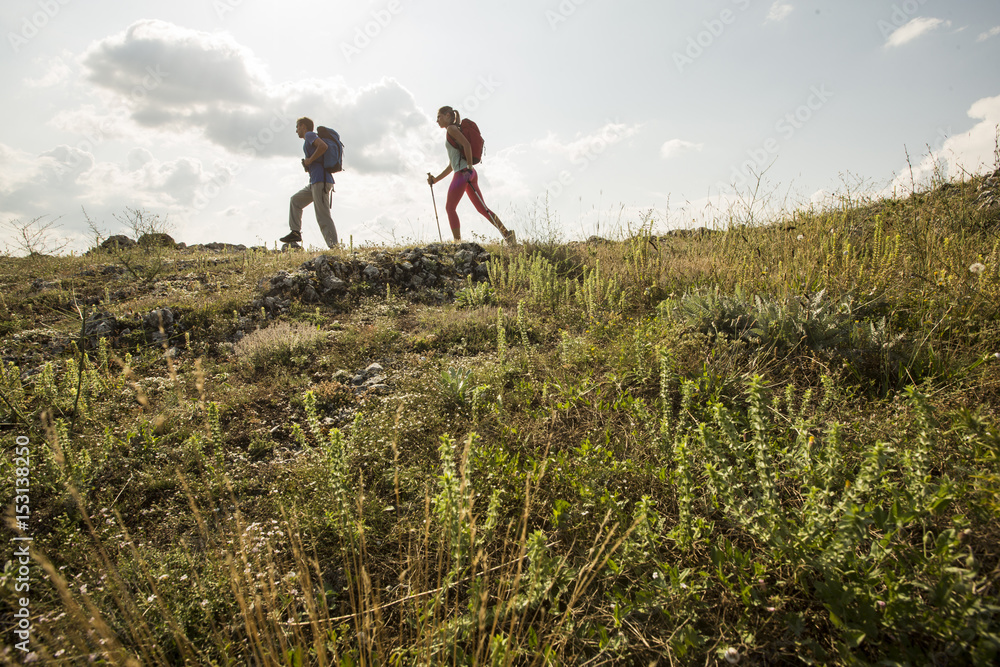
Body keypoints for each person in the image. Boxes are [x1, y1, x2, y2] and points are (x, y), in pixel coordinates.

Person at [427, 106, 515, 245]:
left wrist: (467, 168)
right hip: (469, 173)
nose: (437, 120)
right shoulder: (453, 131)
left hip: (463, 173)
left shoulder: (451, 129)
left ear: (448, 115)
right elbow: (452, 165)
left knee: (450, 208)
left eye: (439, 116)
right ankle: (508, 236)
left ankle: (457, 243)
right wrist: (435, 180)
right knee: (483, 209)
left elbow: (467, 145)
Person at [281, 117, 338, 248]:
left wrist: (309, 160)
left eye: (297, 127)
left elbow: (323, 146)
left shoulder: (310, 135)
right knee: (295, 200)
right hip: (315, 182)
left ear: (303, 126)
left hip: (321, 181)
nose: (296, 131)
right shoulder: (308, 138)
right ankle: (295, 232)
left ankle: (334, 246)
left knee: (322, 215)